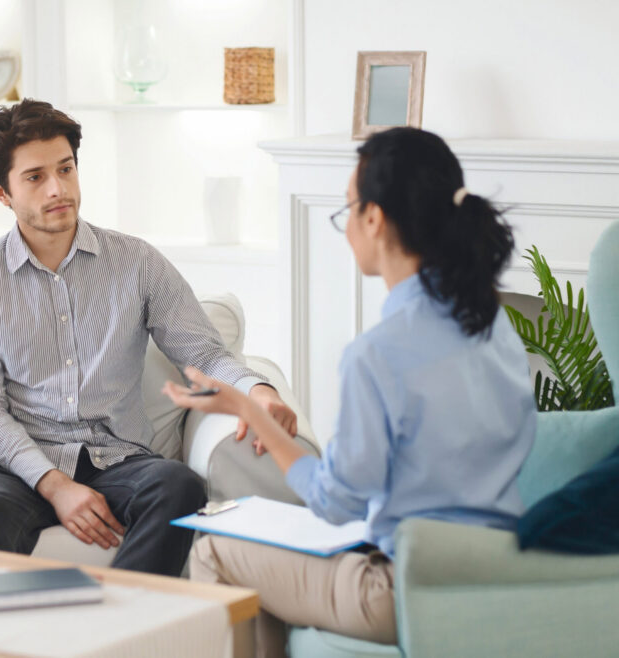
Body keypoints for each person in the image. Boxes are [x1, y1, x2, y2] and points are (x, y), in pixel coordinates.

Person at [164, 127, 537, 655]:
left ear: (374, 219)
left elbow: (336, 501)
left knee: (216, 551)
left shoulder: (378, 354)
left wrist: (255, 414)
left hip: (403, 590)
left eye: (347, 211)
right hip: (494, 577)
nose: (345, 230)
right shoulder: (495, 326)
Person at [0, 98, 298, 576]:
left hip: (120, 460)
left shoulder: (137, 262)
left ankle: (125, 623)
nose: (57, 189)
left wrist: (259, 392)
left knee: (180, 488)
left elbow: (205, 352)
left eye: (65, 169)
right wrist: (54, 484)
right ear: (1, 192)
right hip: (16, 467)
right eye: (35, 177)